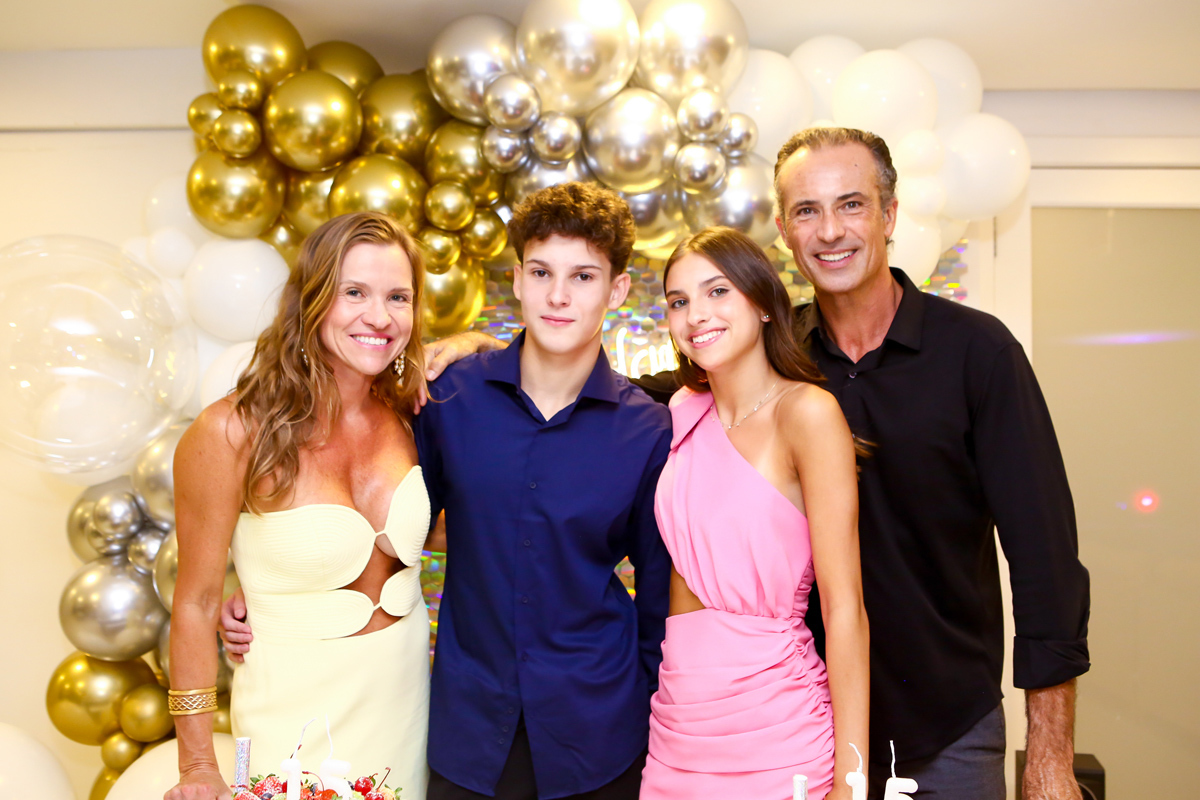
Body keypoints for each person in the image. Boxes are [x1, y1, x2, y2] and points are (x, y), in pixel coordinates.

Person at [640, 127, 1090, 799]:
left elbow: (1045, 560)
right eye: (806, 211)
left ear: (890, 215)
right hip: (796, 726)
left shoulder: (977, 353)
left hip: (945, 727)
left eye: (850, 204)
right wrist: (498, 353)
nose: (830, 231)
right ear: (785, 234)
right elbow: (640, 395)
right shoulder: (762, 353)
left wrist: (1050, 752)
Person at [225, 183, 673, 800]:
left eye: (583, 277)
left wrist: (653, 714)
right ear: (517, 280)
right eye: (541, 272)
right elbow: (385, 521)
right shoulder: (448, 396)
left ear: (617, 290)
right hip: (468, 731)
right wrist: (268, 589)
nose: (559, 296)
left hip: (600, 734)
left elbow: (659, 599)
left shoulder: (648, 429)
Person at [168, 212, 433, 800]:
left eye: (398, 297)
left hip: (405, 707)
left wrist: (473, 343)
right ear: (311, 299)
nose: (379, 316)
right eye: (354, 292)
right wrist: (197, 766)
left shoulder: (413, 414)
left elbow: (452, 530)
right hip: (288, 720)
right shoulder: (232, 431)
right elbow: (195, 604)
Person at [639, 227, 869, 800]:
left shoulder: (808, 413)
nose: (696, 314)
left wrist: (853, 779)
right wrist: (482, 348)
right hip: (678, 727)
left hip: (775, 725)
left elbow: (845, 609)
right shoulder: (681, 410)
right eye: (678, 301)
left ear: (764, 303)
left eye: (717, 291)